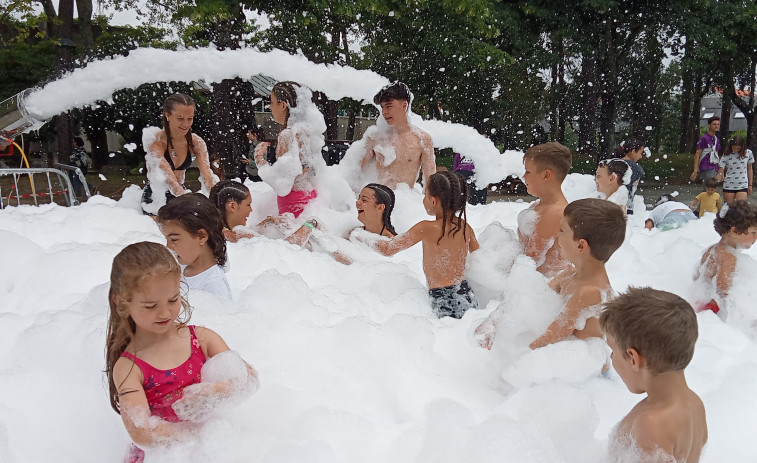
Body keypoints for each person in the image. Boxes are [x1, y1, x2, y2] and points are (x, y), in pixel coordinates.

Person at [105, 242, 258, 462]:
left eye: (173, 299)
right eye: (150, 306)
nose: (165, 312)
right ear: (121, 302)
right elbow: (142, 431)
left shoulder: (202, 339)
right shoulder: (129, 367)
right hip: (164, 453)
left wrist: (215, 393)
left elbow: (248, 378)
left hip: (216, 445)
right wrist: (197, 440)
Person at [601, 287, 707, 463]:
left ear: (633, 358)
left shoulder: (652, 424)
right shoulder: (695, 404)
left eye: (612, 350)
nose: (611, 357)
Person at [355, 171, 479, 319]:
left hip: (442, 298)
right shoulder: (465, 227)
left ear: (433, 201)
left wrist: (362, 237)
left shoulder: (426, 227)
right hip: (466, 294)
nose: (423, 200)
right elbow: (479, 257)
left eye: (424, 195)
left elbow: (389, 249)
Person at [254, 81, 323, 218]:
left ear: (283, 105)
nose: (270, 107)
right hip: (309, 196)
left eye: (272, 102)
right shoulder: (306, 132)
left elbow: (282, 184)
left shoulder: (287, 134)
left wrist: (259, 160)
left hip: (293, 201)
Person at [141, 93, 216, 213]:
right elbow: (171, 181)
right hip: (156, 198)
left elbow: (207, 176)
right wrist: (191, 202)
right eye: (180, 118)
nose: (186, 124)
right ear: (168, 116)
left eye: (190, 118)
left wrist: (217, 199)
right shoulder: (156, 142)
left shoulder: (196, 142)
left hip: (180, 194)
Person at [360, 82, 436, 189]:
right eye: (382, 107)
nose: (384, 112)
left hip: (404, 201)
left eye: (389, 106)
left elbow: (430, 184)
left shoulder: (422, 139)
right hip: (377, 201)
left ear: (404, 105)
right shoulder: (375, 137)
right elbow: (356, 172)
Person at [157, 193, 232, 300]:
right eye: (167, 239)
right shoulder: (180, 267)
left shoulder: (214, 286)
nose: (168, 246)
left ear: (201, 236)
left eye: (174, 239)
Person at [518, 142, 572, 277]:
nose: (524, 176)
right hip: (536, 282)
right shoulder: (538, 206)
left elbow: (531, 258)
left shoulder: (555, 212)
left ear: (546, 175)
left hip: (547, 285)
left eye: (528, 172)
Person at [209, 179, 318, 246]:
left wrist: (266, 223)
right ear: (232, 206)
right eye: (248, 205)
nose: (251, 210)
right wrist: (309, 225)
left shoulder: (217, 232)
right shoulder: (234, 236)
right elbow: (284, 250)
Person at [694, 200, 757, 314]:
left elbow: (698, 276)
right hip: (713, 310)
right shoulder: (729, 257)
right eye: (753, 232)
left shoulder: (712, 249)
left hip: (701, 301)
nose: (756, 237)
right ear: (734, 231)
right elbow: (723, 289)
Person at [717, 134, 754, 203]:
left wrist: (750, 184)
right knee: (729, 208)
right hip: (729, 185)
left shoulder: (748, 153)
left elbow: (750, 169)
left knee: (741, 208)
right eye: (734, 148)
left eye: (738, 148)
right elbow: (721, 169)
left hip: (743, 184)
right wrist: (718, 178)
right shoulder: (726, 154)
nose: (736, 150)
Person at [617, 139, 646, 215]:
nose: (641, 157)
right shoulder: (635, 168)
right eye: (640, 153)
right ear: (633, 151)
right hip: (625, 206)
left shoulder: (611, 163)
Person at [690, 116, 721, 183]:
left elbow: (717, 154)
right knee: (709, 187)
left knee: (712, 188)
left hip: (714, 167)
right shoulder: (704, 138)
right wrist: (695, 170)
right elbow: (697, 154)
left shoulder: (716, 139)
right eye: (714, 124)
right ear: (709, 126)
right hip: (706, 166)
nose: (716, 126)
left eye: (718, 124)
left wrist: (719, 170)